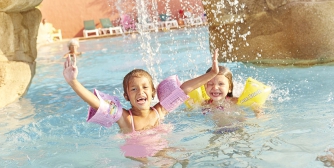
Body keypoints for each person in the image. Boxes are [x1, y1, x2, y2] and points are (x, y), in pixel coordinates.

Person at [63, 49, 220, 134]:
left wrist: (211, 74)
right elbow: (98, 104)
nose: (140, 92)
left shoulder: (160, 111)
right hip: (137, 153)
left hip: (160, 148)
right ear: (126, 96)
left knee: (175, 159)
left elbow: (184, 89)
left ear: (153, 92)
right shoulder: (126, 119)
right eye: (134, 89)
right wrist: (74, 82)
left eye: (145, 88)